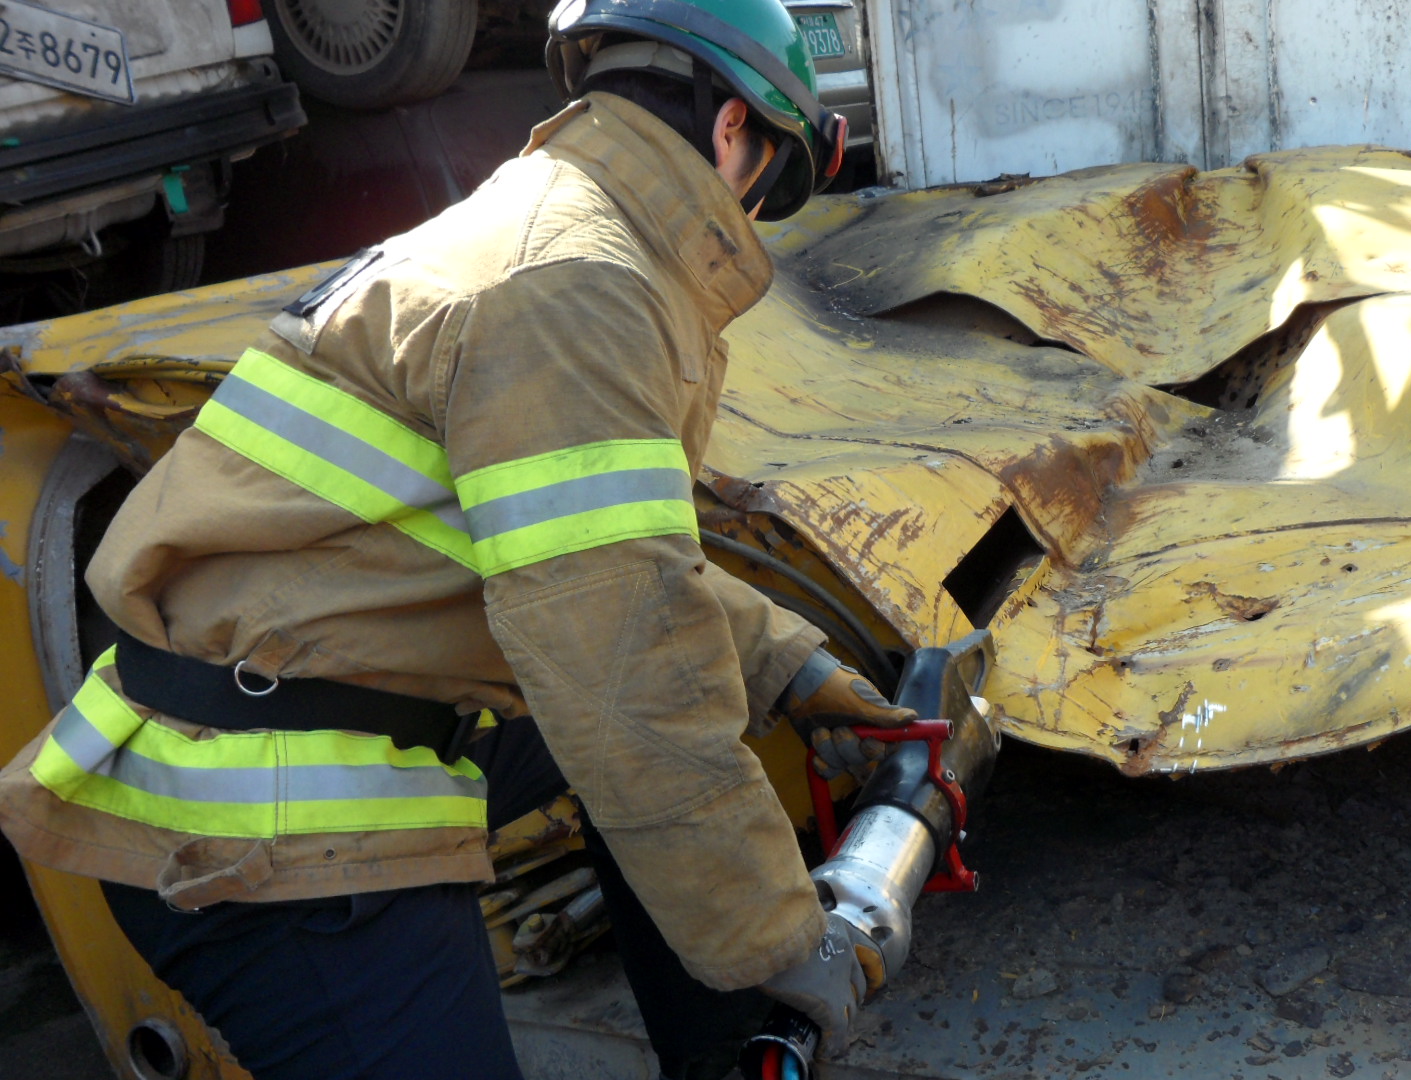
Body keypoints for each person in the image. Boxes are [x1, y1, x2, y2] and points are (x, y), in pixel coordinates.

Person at [0, 2, 909, 1077]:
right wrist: (785, 943)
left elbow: (596, 561)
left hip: (268, 701)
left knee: (650, 702)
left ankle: (724, 1054)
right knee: (639, 715)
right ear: (731, 130)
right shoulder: (580, 285)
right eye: (770, 182)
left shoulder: (540, 224)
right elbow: (623, 671)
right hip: (267, 819)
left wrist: (786, 665)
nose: (751, 215)